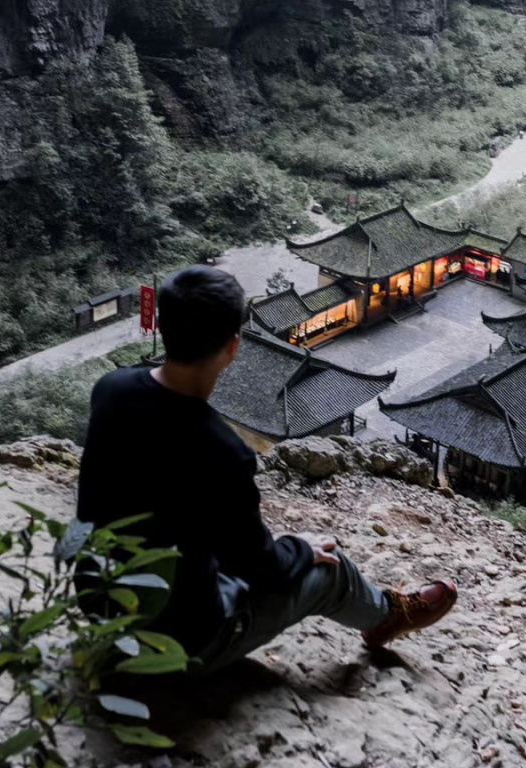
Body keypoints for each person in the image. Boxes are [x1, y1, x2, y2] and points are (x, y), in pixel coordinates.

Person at [76, 265, 456, 673]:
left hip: (105, 609)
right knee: (330, 567)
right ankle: (387, 615)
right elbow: (258, 568)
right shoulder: (221, 450)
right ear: (233, 346)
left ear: (163, 327)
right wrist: (300, 549)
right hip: (181, 640)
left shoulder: (111, 390)